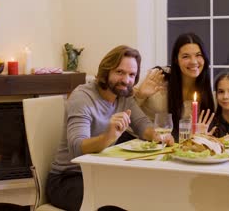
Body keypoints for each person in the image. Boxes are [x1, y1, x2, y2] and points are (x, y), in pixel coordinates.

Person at [46, 45, 173, 211]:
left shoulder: (123, 97)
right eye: (120, 72)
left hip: (100, 174)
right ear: (106, 71)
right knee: (117, 205)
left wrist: (158, 136)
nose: (126, 80)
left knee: (148, 194)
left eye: (132, 75)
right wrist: (109, 136)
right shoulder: (82, 97)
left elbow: (142, 125)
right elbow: (77, 148)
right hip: (68, 179)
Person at [134, 32, 215, 141]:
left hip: (169, 145)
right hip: (137, 142)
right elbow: (128, 108)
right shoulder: (158, 77)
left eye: (198, 55)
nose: (194, 61)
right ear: (176, 60)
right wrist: (140, 95)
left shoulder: (204, 89)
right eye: (186, 56)